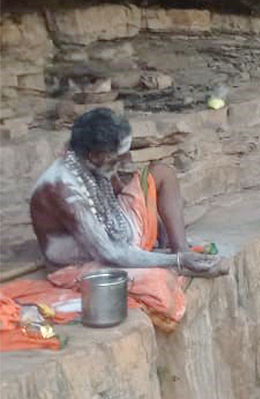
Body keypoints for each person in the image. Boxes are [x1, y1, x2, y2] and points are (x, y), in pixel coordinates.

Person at [30, 108, 227, 276]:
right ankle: (182, 258)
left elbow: (108, 194)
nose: (123, 163)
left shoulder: (86, 157)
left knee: (161, 173)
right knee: (156, 284)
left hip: (117, 234)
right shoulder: (64, 190)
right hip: (87, 263)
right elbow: (111, 253)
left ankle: (181, 248)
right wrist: (177, 261)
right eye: (117, 158)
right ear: (96, 155)